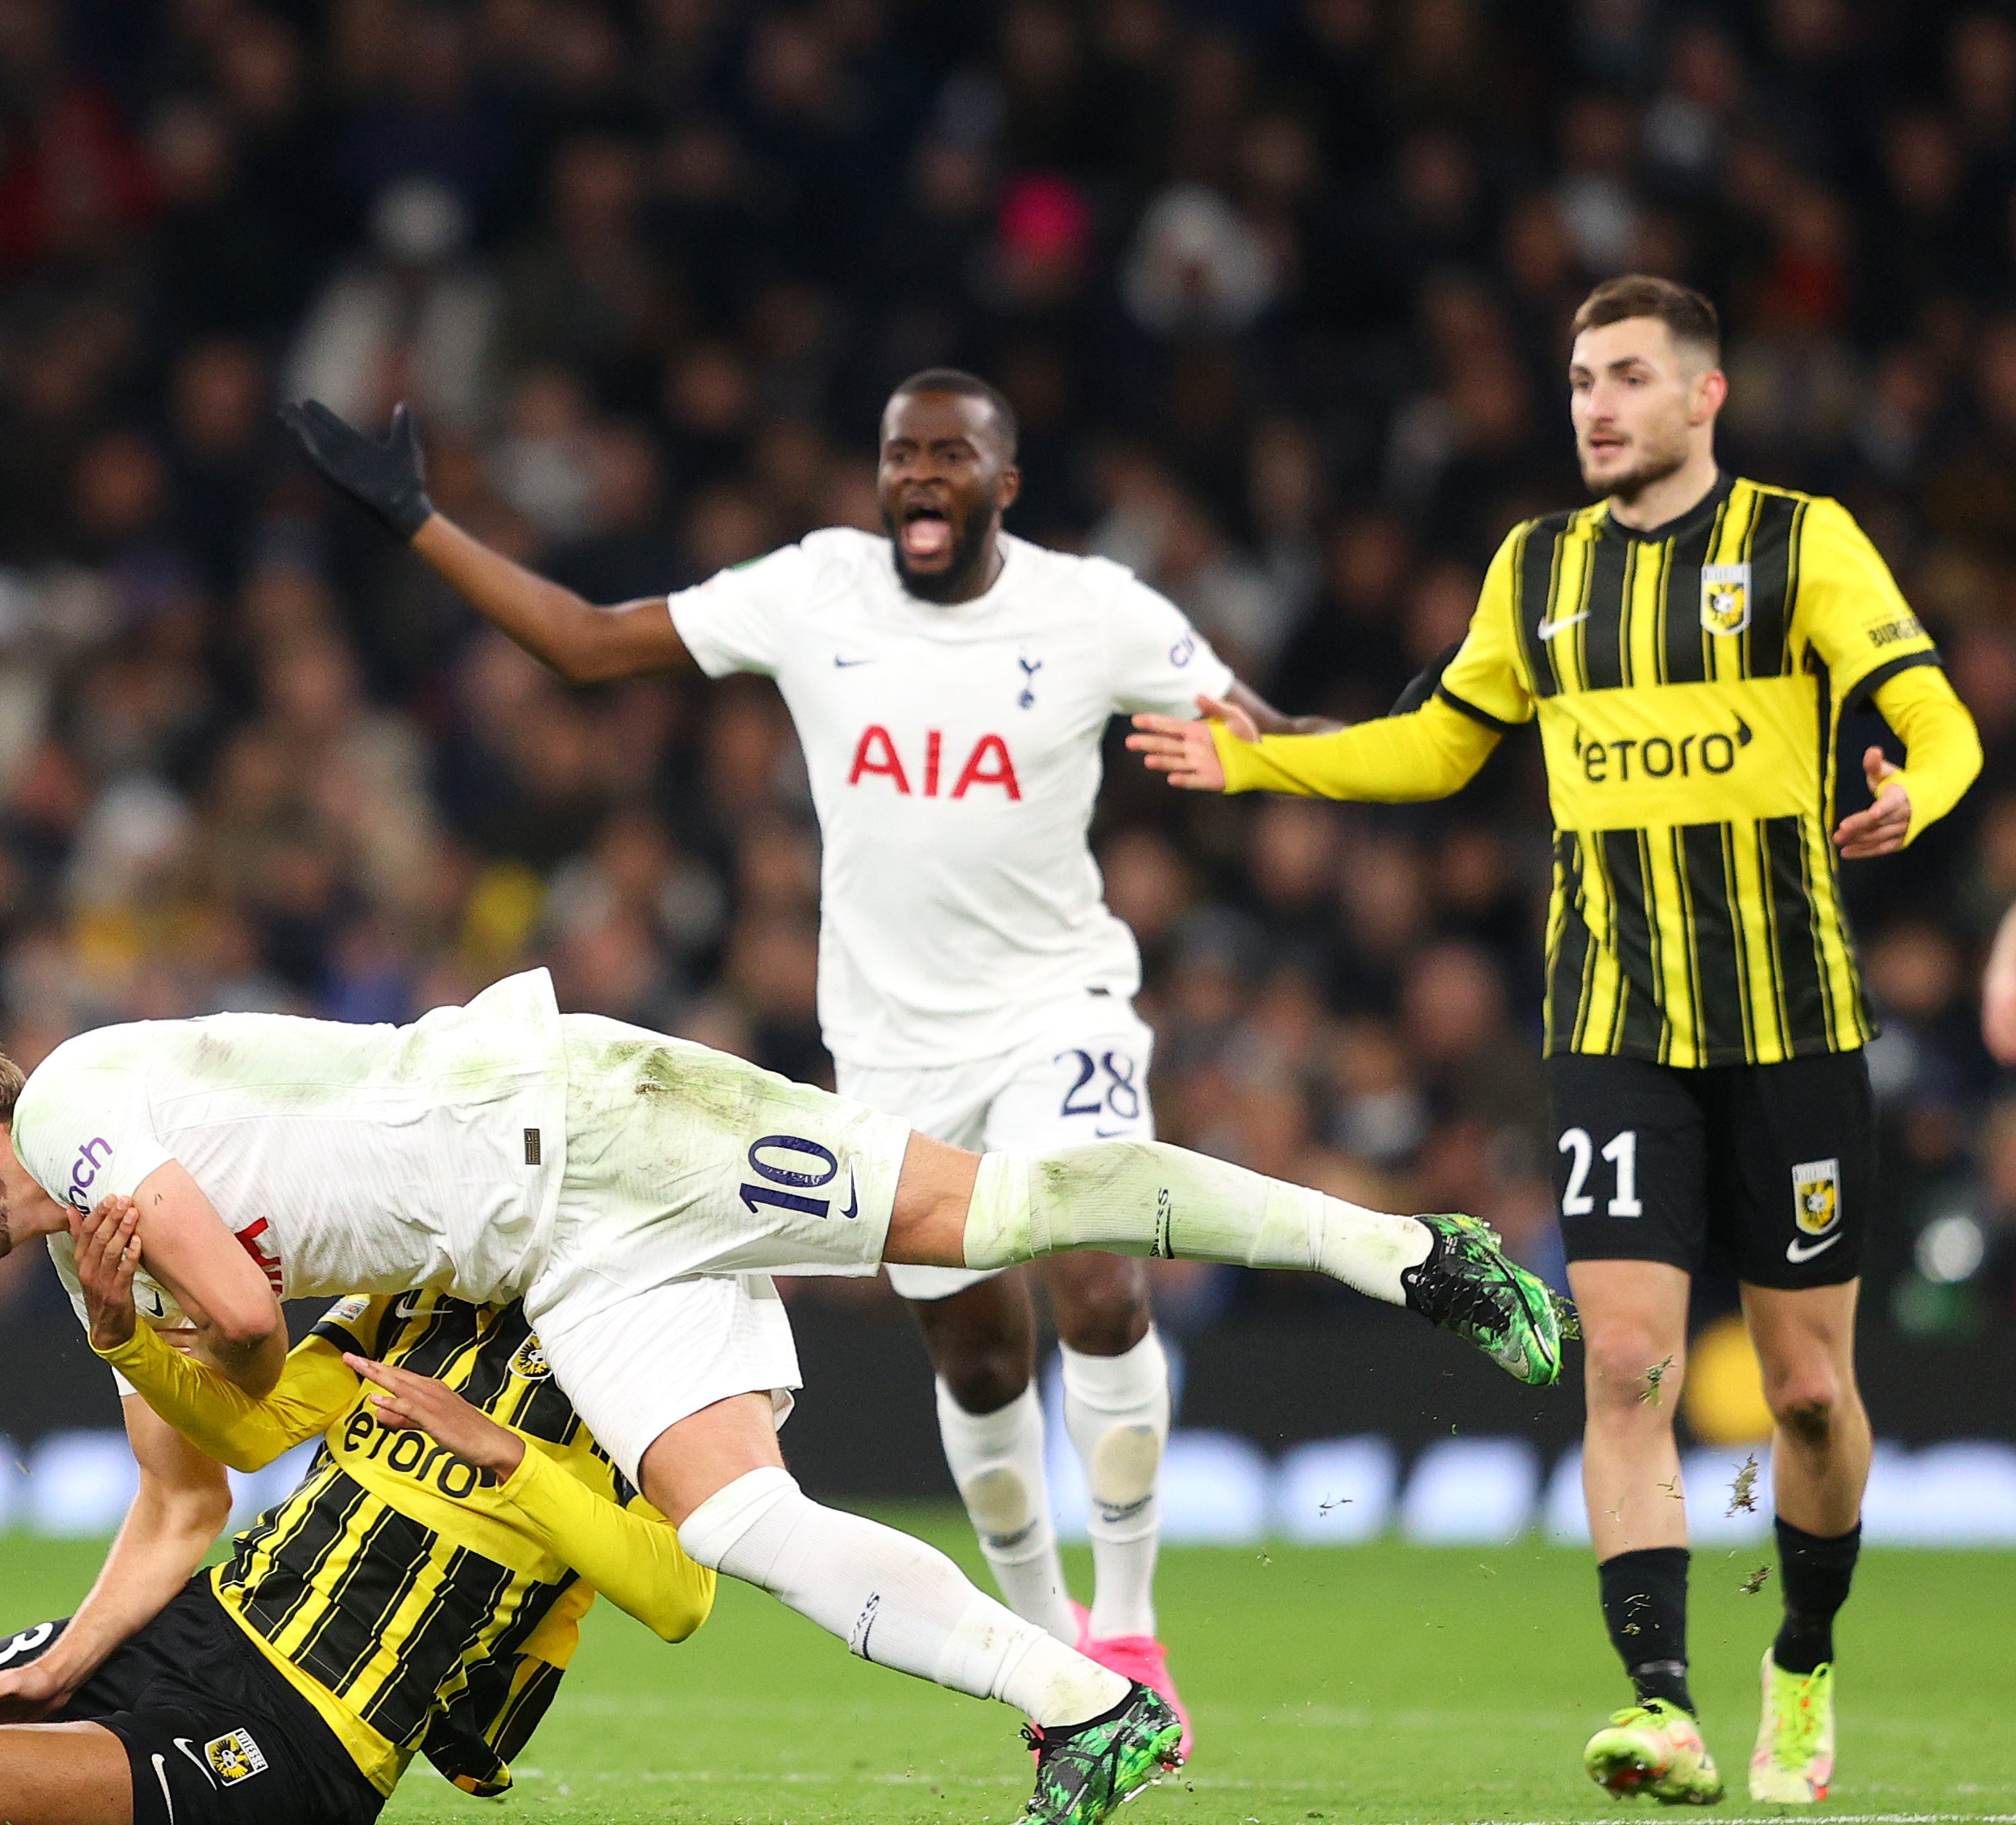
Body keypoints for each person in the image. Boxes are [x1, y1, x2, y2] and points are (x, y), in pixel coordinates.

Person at [0, 978, 1573, 1825]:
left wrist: (163, 1323)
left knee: (996, 1214)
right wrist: (61, 1647)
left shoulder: (72, 1112)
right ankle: (1078, 1704)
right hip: (564, 1258)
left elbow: (267, 1334)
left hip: (593, 1120)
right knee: (729, 1517)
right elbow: (205, 1485)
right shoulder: (87, 1259)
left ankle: (1403, 1248)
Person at [279, 373, 1329, 1751]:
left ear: (1004, 482)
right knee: (970, 1345)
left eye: (952, 454)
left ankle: (1129, 1626)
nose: (921, 475)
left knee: (1095, 1261)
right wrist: (417, 519)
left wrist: (1440, 738)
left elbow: (1270, 729)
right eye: (900, 453)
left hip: (1054, 1004)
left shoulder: (1096, 610)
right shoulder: (814, 590)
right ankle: (1054, 1649)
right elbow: (588, 645)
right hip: (889, 1041)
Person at [1132, 275, 1984, 1808]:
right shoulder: (1536, 568)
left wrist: (1916, 786)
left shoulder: (1798, 543)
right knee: (1623, 1359)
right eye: (1580, 376)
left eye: (1628, 376)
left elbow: (1938, 715)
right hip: (1612, 1030)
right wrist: (1260, 763)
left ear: (1702, 395)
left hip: (1790, 1025)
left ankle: (1798, 1653)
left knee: (1803, 1392)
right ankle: (1659, 1699)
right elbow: (1437, 741)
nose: (1594, 402)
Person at [0, 1217, 712, 1825]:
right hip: (205, 1624)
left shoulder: (643, 1375)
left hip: (315, 1731)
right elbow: (251, 1427)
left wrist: (506, 1456)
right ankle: (83, 1772)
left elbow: (680, 1596)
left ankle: (79, 1787)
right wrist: (126, 1338)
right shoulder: (421, 1295)